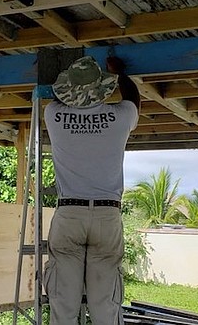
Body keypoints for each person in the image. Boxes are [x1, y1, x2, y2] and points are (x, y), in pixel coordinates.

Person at [43, 55, 140, 325]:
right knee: (105, 308)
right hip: (107, 216)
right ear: (102, 89)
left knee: (63, 304)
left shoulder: (53, 115)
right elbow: (133, 99)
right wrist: (120, 73)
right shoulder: (121, 117)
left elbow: (58, 98)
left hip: (69, 214)